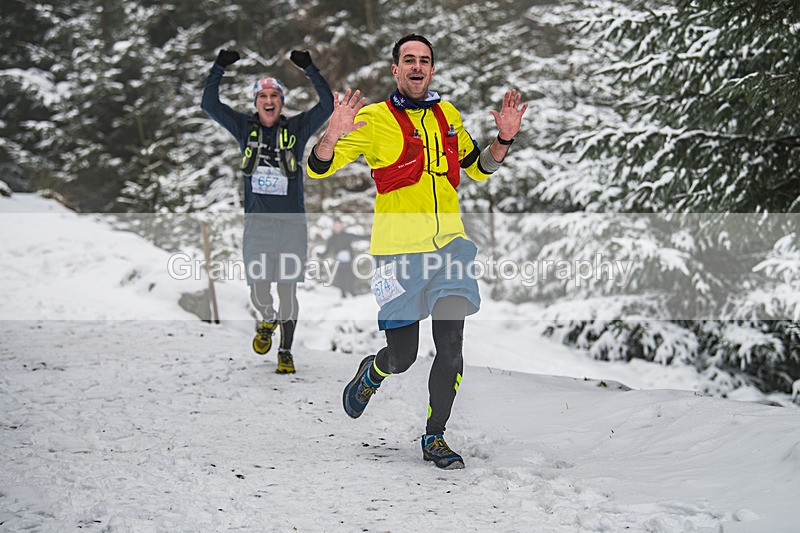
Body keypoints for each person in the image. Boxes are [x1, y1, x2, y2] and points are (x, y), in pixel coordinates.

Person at [307, 34, 527, 469]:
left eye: (424, 60)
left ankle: (434, 436)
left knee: (451, 345)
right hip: (398, 254)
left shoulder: (448, 115)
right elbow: (318, 167)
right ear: (395, 69)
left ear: (432, 69)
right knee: (403, 356)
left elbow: (477, 168)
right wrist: (331, 134)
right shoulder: (374, 119)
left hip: (452, 250)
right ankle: (374, 371)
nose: (417, 66)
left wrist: (503, 140)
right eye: (408, 59)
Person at [202, 48, 333, 374]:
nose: (269, 100)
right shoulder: (244, 128)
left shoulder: (297, 129)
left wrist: (309, 68)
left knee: (287, 289)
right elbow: (209, 104)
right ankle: (268, 319)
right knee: (259, 288)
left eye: (274, 95)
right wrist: (219, 67)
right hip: (258, 225)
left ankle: (285, 351)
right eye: (263, 96)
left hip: (291, 226)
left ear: (281, 102)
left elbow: (327, 107)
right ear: (256, 102)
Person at [321, 217, 369, 298]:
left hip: (349, 262)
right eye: (335, 226)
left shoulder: (347, 236)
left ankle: (352, 293)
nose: (337, 227)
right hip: (339, 262)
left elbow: (359, 237)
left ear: (341, 226)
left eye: (338, 226)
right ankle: (343, 295)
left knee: (350, 277)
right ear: (333, 227)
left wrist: (370, 236)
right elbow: (327, 251)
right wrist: (320, 255)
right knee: (341, 278)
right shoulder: (332, 239)